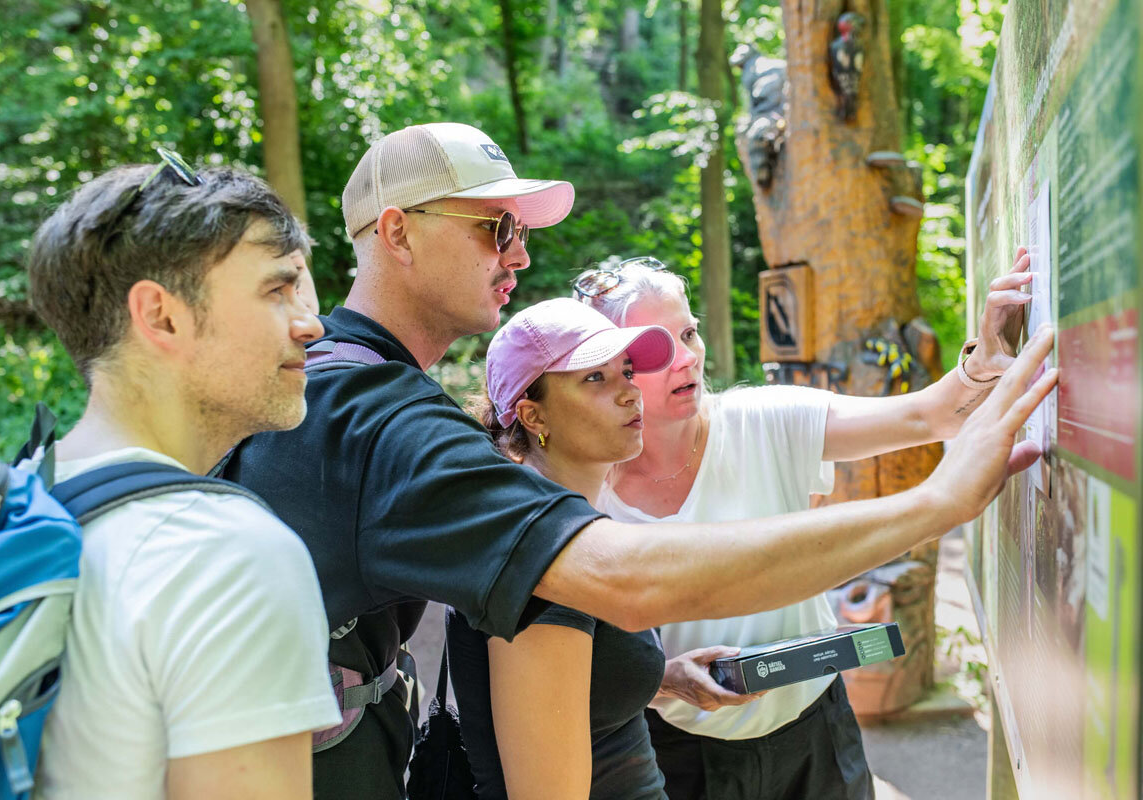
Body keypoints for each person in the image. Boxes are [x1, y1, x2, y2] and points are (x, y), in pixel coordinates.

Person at [224, 121, 1056, 799]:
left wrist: (655, 675)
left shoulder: (335, 381)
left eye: (521, 232)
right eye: (495, 228)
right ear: (397, 232)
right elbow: (617, 580)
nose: (519, 255)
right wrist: (939, 502)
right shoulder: (377, 415)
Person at [576, 254, 1034, 800]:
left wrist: (982, 362)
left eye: (690, 334)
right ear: (607, 369)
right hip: (676, 752)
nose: (688, 359)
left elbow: (929, 415)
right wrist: (660, 681)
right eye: (657, 347)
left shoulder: (762, 420)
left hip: (817, 729)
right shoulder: (583, 489)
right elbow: (570, 657)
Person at [28, 150, 342, 800]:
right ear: (161, 316)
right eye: (276, 290)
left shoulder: (18, 501)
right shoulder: (225, 555)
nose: (311, 324)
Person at [448, 297, 699, 799]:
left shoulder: (559, 524)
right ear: (532, 415)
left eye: (627, 371)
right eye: (595, 378)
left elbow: (579, 694)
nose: (630, 392)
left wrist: (666, 678)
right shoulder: (541, 555)